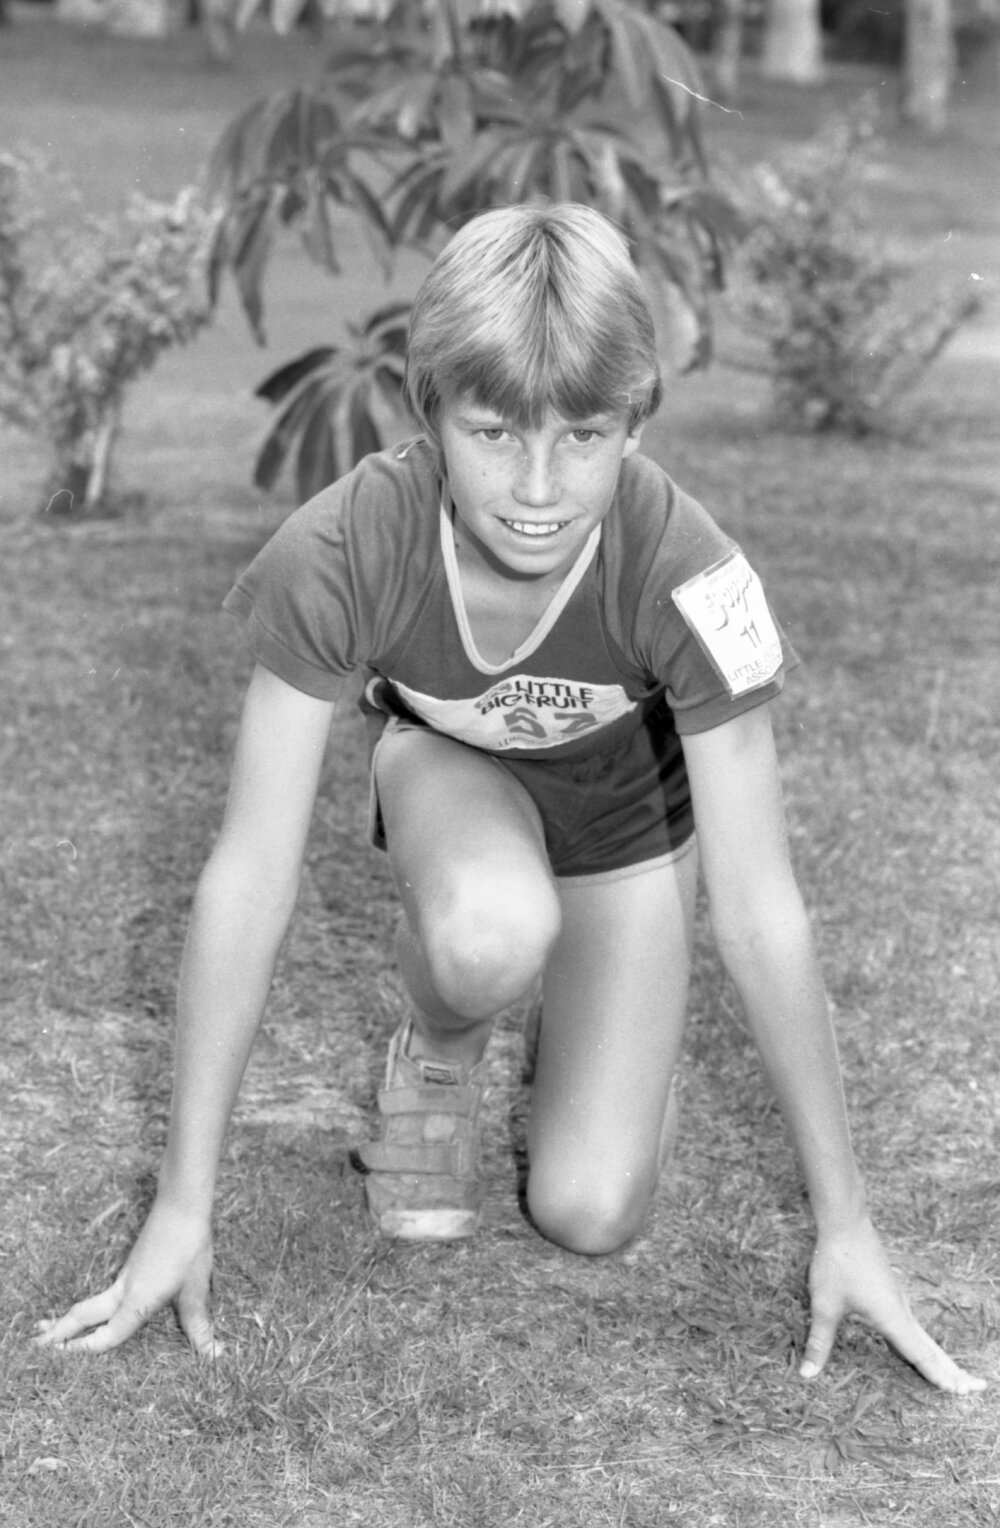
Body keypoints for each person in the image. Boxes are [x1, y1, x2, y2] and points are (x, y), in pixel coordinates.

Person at [35, 204, 984, 1393]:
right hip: (455, 781)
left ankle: (608, 1026)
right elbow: (250, 872)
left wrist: (846, 1222)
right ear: (426, 409)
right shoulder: (341, 549)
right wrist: (182, 1203)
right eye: (494, 432)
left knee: (592, 1210)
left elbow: (760, 909)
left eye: (583, 434)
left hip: (635, 821)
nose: (538, 487)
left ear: (636, 419)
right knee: (493, 929)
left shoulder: (689, 573)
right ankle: (438, 1048)